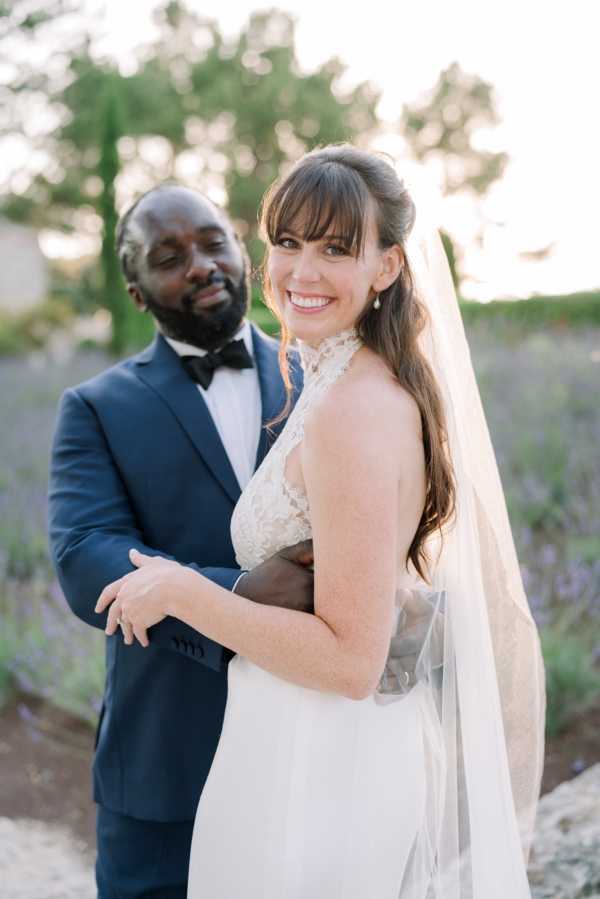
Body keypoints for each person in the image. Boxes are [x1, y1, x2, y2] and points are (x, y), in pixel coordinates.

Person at [96, 146, 546, 897]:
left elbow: (349, 661)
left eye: (336, 248)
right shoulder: (341, 373)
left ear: (388, 266)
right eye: (289, 242)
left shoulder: (351, 409)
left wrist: (184, 590)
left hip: (322, 761)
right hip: (299, 738)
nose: (302, 272)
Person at [48, 183, 316, 898]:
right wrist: (235, 594)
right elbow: (84, 558)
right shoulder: (96, 408)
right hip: (166, 759)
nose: (199, 264)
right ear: (137, 291)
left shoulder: (325, 375)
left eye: (211, 241)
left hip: (314, 741)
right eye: (169, 256)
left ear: (241, 251)